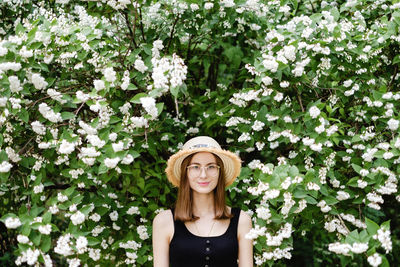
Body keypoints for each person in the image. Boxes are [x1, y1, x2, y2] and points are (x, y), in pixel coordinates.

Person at [152, 136, 253, 267]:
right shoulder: (163, 222)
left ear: (219, 172)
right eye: (195, 167)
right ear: (185, 173)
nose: (203, 175)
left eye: (211, 167)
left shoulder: (242, 221)